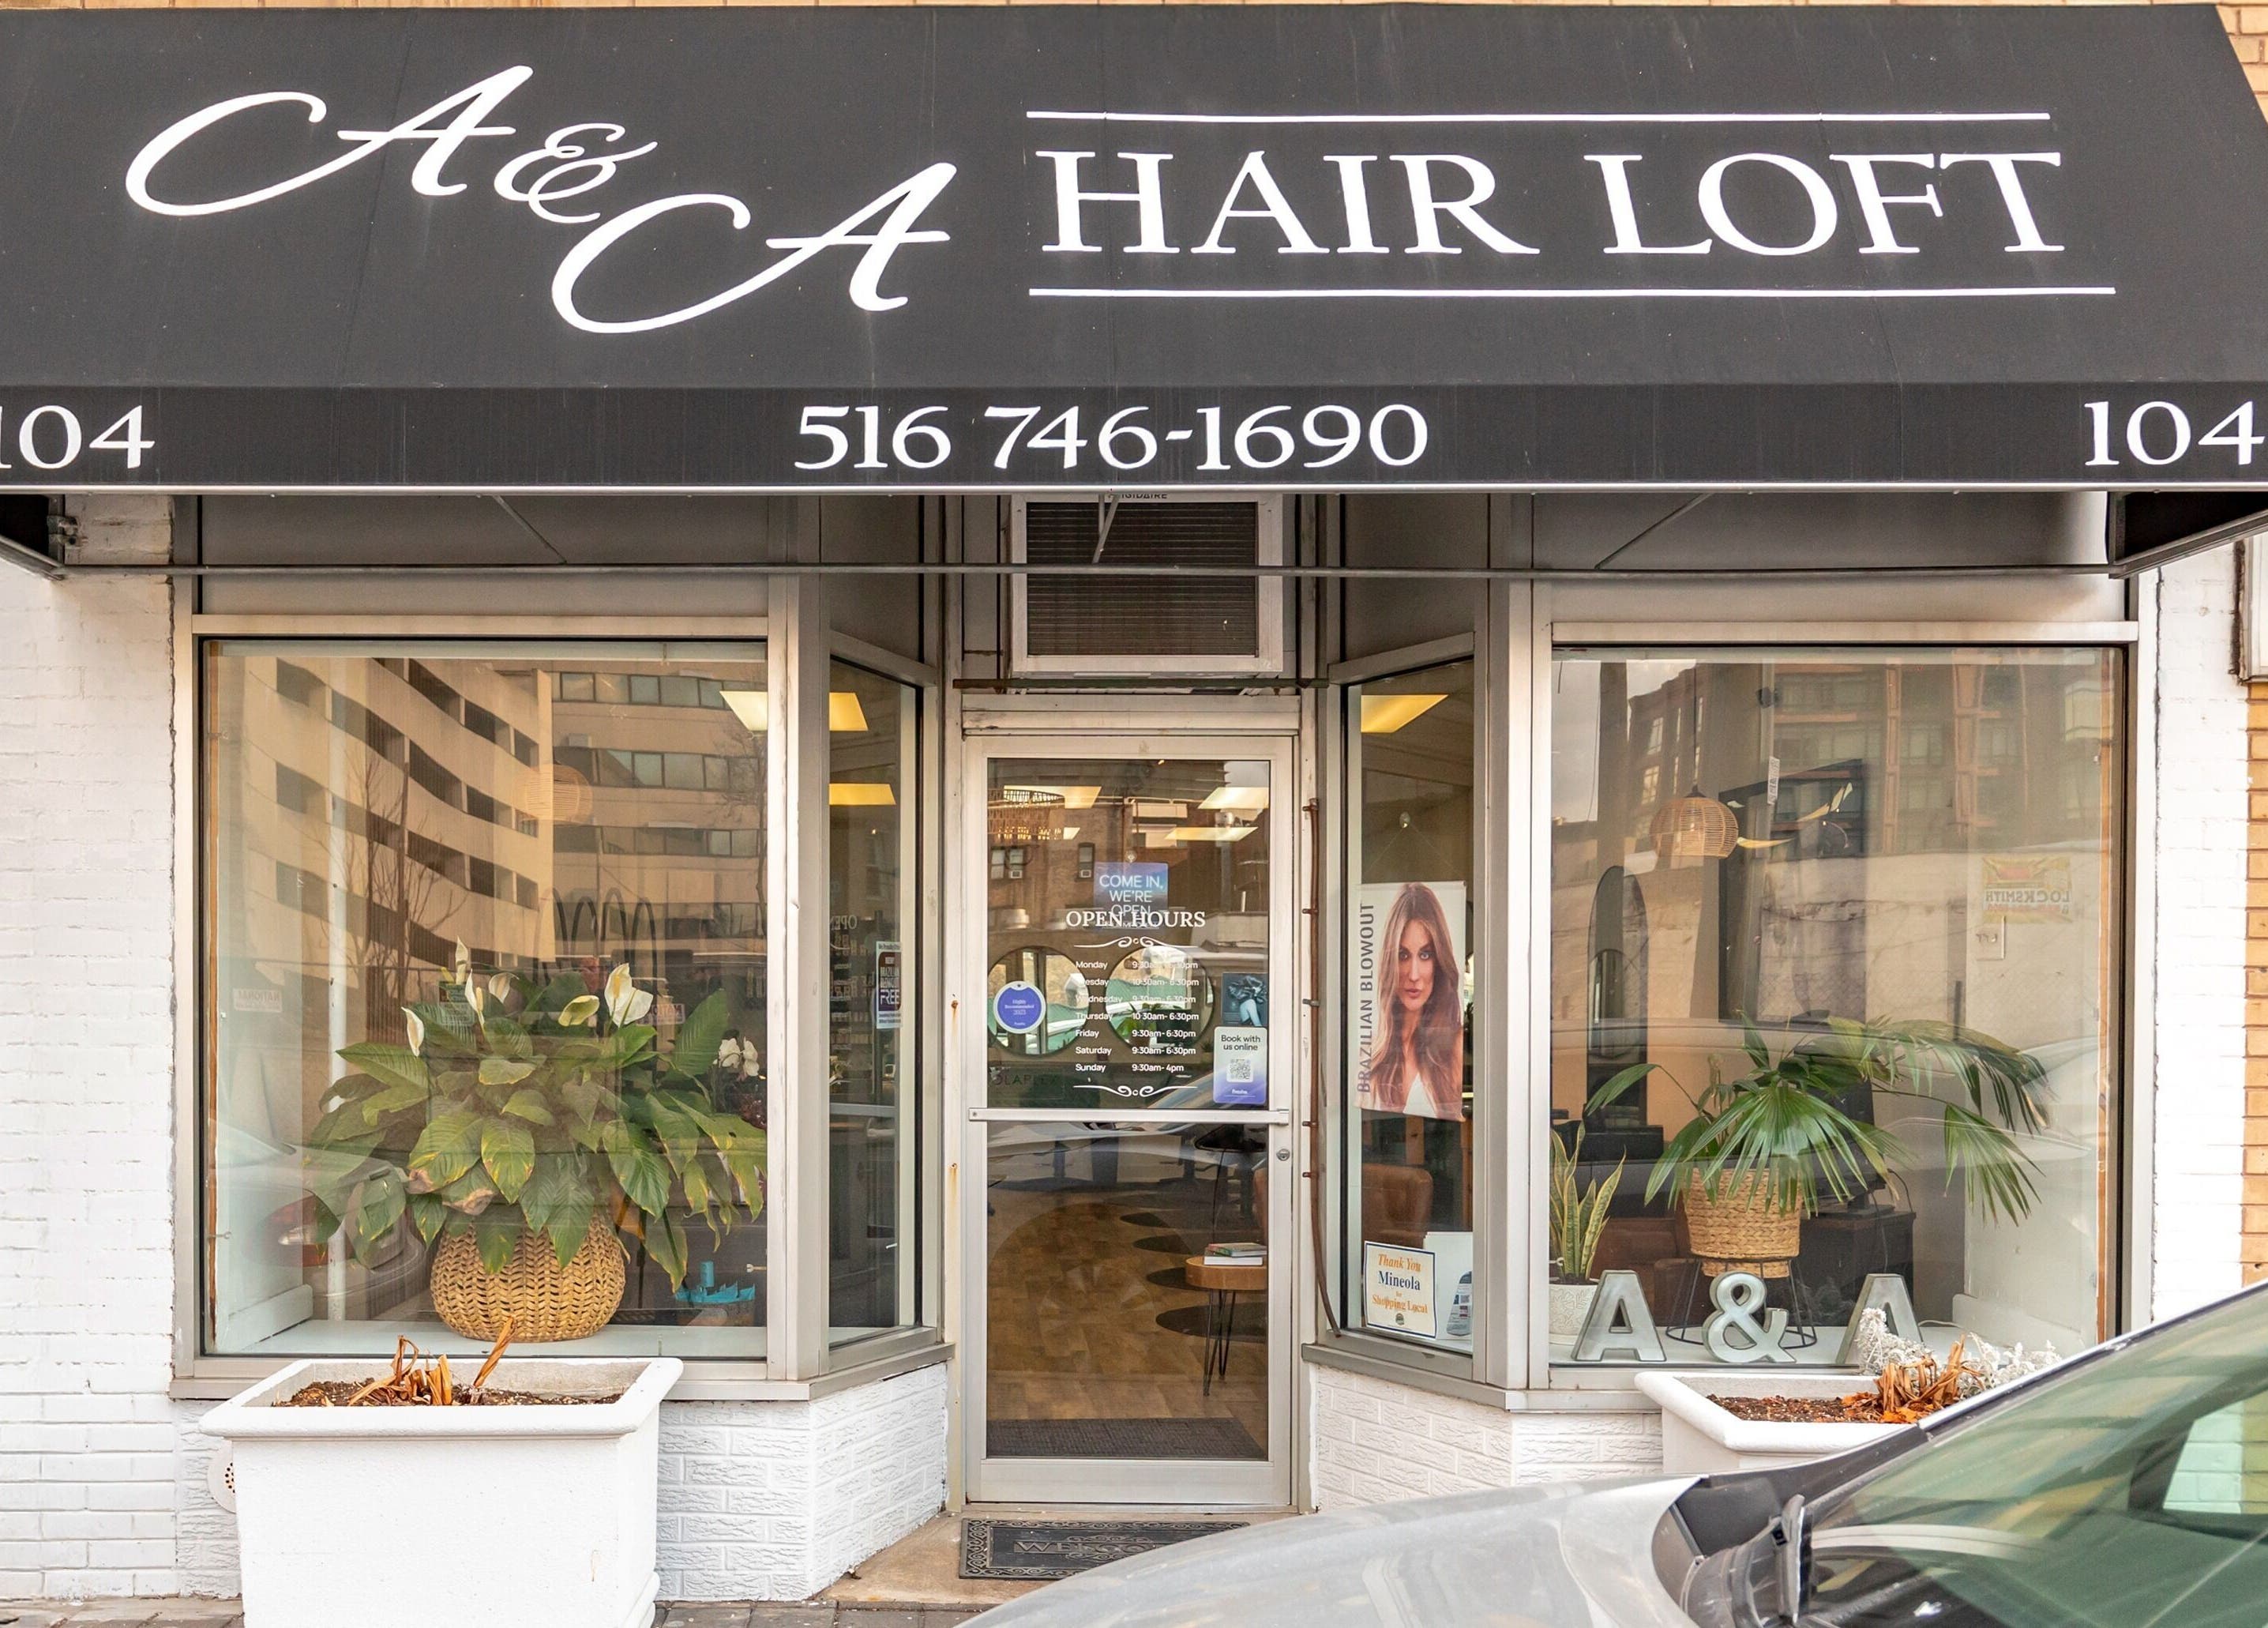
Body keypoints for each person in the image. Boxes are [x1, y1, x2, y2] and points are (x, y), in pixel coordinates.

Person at [1365, 882, 1465, 1121]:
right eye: (1403, 955)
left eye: (1425, 954)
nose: (1413, 974)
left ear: (1439, 961)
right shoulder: (1373, 1049)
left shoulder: (1454, 1045)